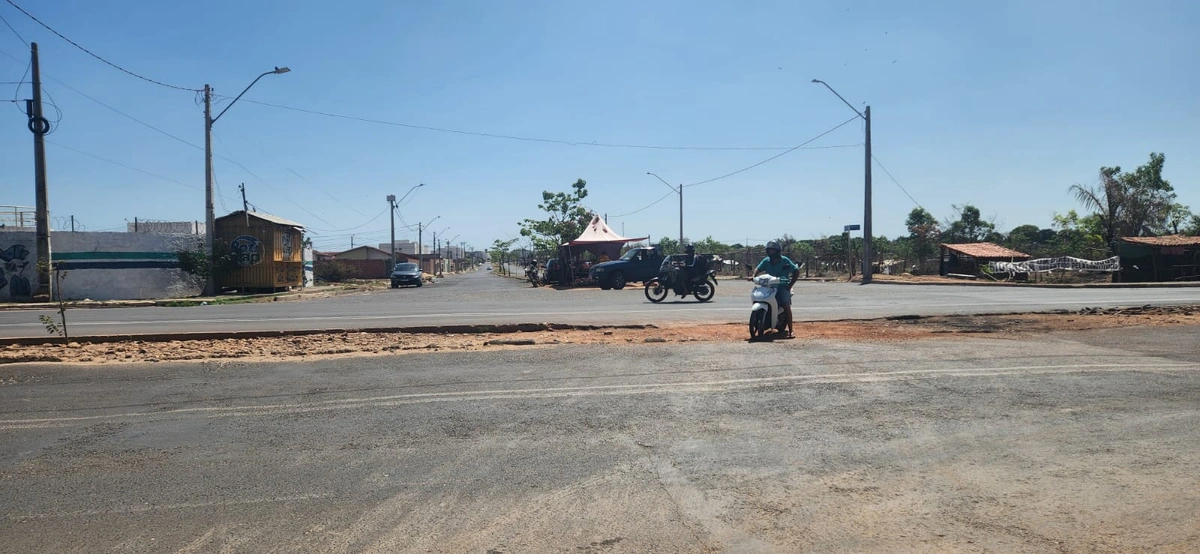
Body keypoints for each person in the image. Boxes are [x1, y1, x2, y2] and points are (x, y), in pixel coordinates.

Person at [753, 240, 800, 337]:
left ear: (778, 251)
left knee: (786, 306)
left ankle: (791, 330)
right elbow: (758, 268)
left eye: (773, 250)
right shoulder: (766, 260)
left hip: (782, 286)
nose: (771, 252)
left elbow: (796, 271)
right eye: (769, 250)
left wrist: (790, 285)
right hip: (768, 286)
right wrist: (753, 276)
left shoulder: (785, 260)